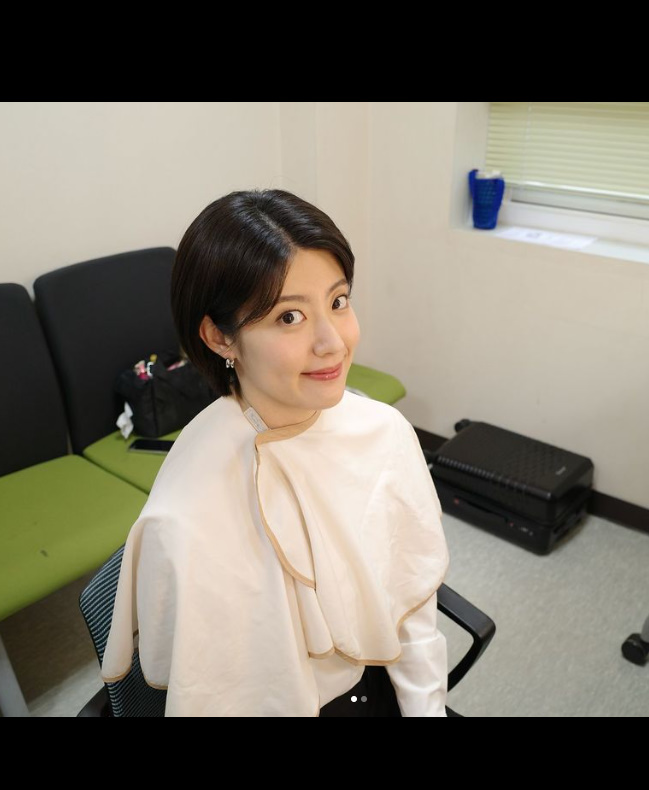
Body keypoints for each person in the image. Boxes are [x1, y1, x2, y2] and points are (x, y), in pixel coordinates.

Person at [100, 189, 450, 716]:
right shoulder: (189, 514)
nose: (333, 342)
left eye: (338, 302)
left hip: (378, 685)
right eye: (290, 317)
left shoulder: (384, 432)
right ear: (220, 338)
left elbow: (412, 609)